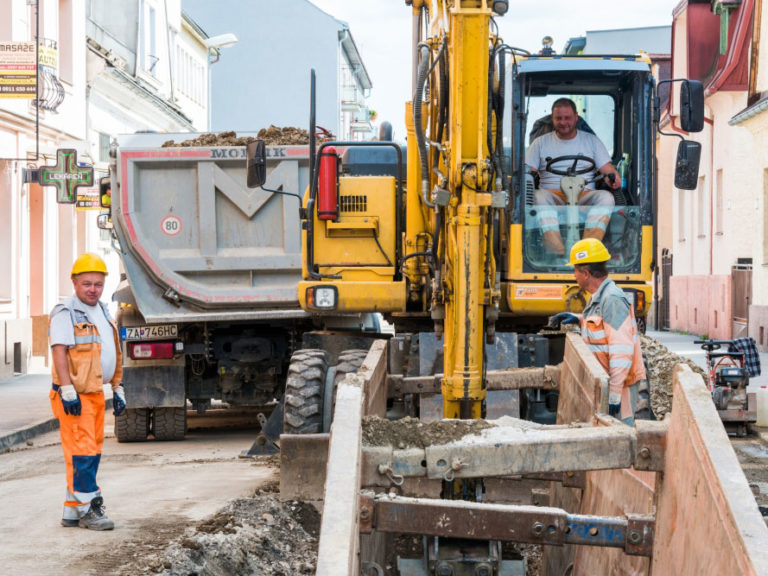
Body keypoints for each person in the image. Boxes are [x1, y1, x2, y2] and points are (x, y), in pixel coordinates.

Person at [49, 252, 125, 530]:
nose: (93, 289)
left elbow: (112, 351)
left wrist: (117, 387)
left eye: (98, 284)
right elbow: (59, 350)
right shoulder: (65, 311)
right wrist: (67, 389)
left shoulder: (103, 311)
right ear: (74, 283)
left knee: (90, 451)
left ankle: (72, 508)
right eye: (87, 284)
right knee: (84, 453)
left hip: (94, 393)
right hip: (75, 395)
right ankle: (89, 509)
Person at [549, 238, 648, 426]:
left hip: (620, 387)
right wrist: (578, 319)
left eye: (575, 271)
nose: (574, 276)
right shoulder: (600, 297)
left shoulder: (612, 299)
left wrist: (614, 396)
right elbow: (603, 327)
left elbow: (622, 351)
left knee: (619, 436)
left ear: (585, 273)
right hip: (607, 384)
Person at [525, 98, 621, 256]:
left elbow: (607, 170)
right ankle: (558, 252)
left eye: (567, 118)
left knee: (606, 197)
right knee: (538, 196)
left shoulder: (592, 141)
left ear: (576, 117)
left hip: (584, 195)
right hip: (553, 195)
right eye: (558, 118)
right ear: (552, 118)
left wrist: (612, 178)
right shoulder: (540, 143)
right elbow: (528, 172)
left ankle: (586, 251)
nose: (563, 122)